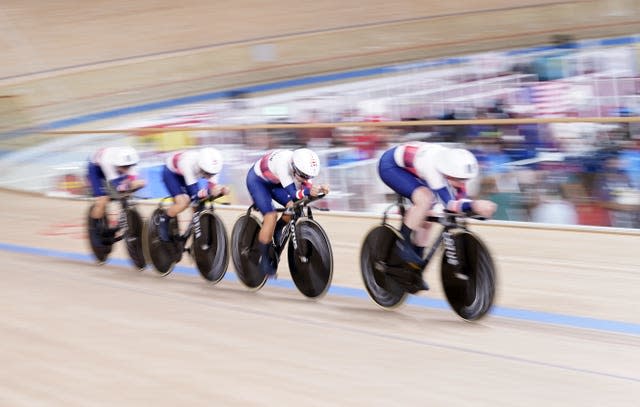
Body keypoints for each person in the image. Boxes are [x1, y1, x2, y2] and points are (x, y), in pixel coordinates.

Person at [378, 142, 497, 269]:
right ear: (447, 173)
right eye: (459, 179)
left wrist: (474, 209)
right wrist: (474, 205)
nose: (463, 183)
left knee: (429, 217)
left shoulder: (454, 169)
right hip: (391, 166)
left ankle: (414, 267)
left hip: (415, 166)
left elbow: (460, 201)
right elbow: (450, 204)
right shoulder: (434, 170)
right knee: (425, 198)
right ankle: (401, 244)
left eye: (465, 180)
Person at [246, 148, 329, 277]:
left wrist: (317, 190)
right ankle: (264, 261)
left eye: (309, 177)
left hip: (275, 181)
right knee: (271, 216)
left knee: (292, 206)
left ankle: (278, 228)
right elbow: (294, 194)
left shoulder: (301, 167)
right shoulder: (283, 165)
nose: (305, 178)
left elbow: (305, 189)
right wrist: (308, 191)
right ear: (294, 167)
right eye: (303, 175)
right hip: (257, 182)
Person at [157, 147, 230, 241]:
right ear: (201, 166)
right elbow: (195, 195)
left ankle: (194, 234)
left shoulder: (213, 167)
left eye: (212, 174)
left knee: (200, 206)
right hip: (172, 173)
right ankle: (163, 219)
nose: (210, 176)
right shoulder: (188, 164)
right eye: (207, 173)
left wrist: (221, 190)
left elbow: (212, 188)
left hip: (189, 175)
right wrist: (209, 192)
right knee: (183, 203)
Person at [87, 146, 146, 241]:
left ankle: (124, 216)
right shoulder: (108, 163)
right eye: (124, 167)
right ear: (117, 164)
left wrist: (135, 185)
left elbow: (132, 179)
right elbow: (118, 187)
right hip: (96, 168)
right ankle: (96, 231)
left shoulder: (130, 161)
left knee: (126, 191)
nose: (127, 170)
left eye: (129, 167)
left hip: (112, 164)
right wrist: (131, 185)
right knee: (103, 199)